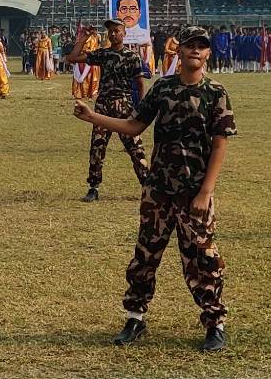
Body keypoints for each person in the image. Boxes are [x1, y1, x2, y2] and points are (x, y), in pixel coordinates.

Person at [73, 26, 232, 352]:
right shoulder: (163, 89)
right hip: (158, 191)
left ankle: (214, 322)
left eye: (201, 47)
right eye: (189, 45)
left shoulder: (216, 93)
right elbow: (134, 126)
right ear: (178, 51)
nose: (195, 51)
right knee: (145, 256)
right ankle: (135, 317)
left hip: (194, 194)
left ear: (207, 54)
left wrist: (205, 192)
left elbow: (220, 145)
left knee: (203, 259)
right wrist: (93, 117)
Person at [62, 18, 153, 202]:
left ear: (124, 33)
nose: (113, 34)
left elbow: (140, 84)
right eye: (110, 31)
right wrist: (84, 38)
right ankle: (93, 187)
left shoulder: (132, 56)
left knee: (135, 148)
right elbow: (72, 58)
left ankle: (148, 187)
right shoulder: (103, 54)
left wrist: (140, 108)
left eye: (116, 30)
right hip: (102, 106)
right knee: (97, 146)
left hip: (124, 106)